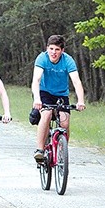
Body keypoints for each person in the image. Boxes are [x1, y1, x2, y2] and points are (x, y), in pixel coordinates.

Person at [31, 34, 86, 163]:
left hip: (61, 94)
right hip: (44, 92)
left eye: (57, 49)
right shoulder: (42, 58)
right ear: (47, 48)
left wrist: (81, 101)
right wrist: (37, 99)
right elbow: (36, 80)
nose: (53, 52)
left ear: (62, 50)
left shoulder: (68, 60)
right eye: (51, 49)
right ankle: (39, 150)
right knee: (47, 114)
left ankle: (62, 151)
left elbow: (76, 82)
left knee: (65, 122)